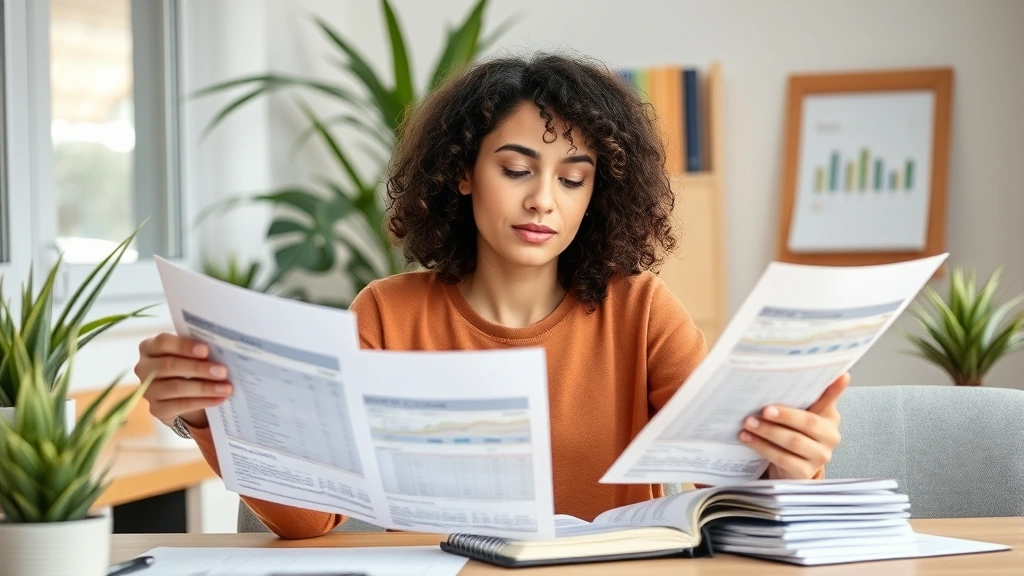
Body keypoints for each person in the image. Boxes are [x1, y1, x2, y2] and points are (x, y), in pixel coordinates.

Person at [134, 52, 848, 539]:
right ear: (463, 173)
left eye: (573, 178)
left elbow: (726, 474)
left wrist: (786, 463)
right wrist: (205, 416)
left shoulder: (641, 309)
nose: (544, 199)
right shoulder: (386, 312)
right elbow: (307, 522)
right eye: (517, 168)